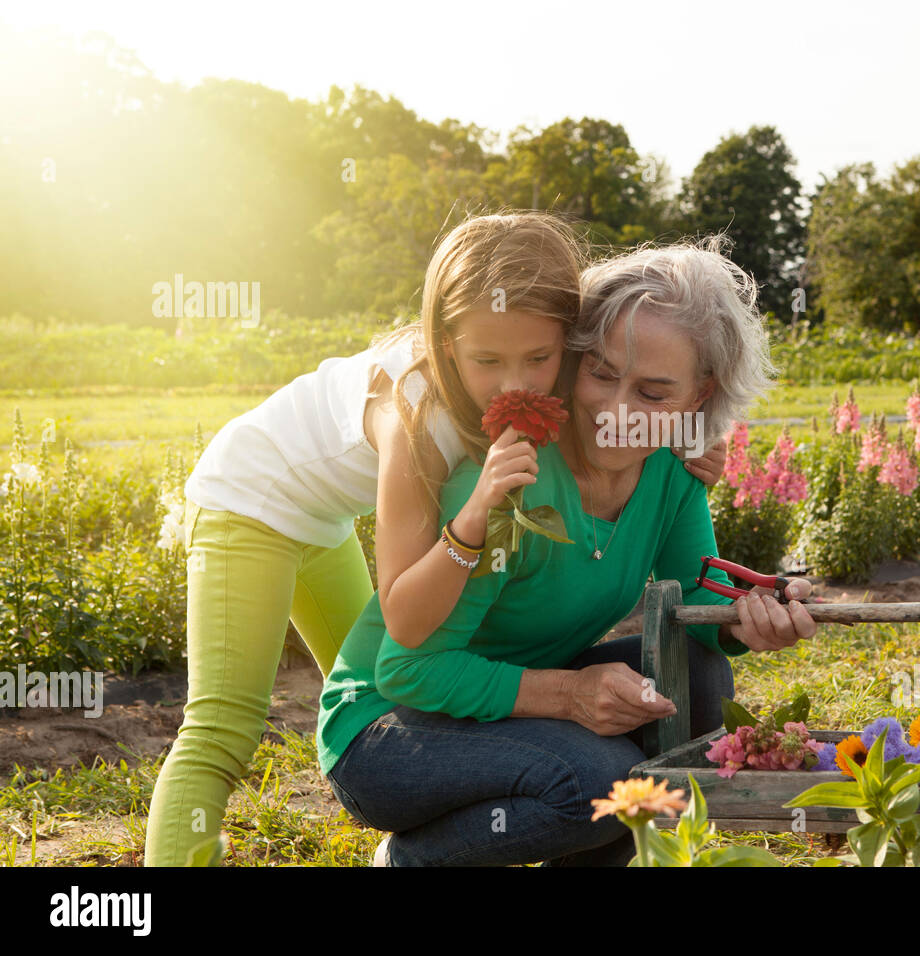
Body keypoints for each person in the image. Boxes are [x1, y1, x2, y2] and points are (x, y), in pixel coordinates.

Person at [317, 239, 818, 866]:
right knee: (603, 783)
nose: (616, 412)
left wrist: (751, 614)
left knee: (697, 676)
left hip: (499, 707)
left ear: (699, 394)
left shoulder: (672, 468)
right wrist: (569, 693)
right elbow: (408, 670)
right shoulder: (511, 481)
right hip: (388, 734)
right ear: (573, 359)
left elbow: (693, 596)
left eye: (654, 393)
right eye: (602, 373)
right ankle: (414, 860)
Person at [145, 213, 594, 866]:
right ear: (444, 344)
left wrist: (684, 447)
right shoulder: (410, 418)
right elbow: (406, 612)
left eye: (539, 359)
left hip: (318, 519)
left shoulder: (530, 380)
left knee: (377, 703)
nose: (514, 383)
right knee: (221, 730)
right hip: (247, 498)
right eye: (487, 360)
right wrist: (473, 524)